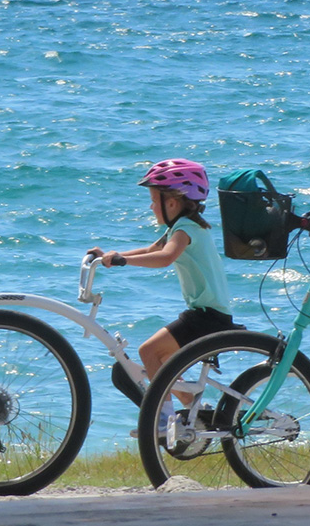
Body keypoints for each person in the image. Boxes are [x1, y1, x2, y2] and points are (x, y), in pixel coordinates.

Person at [89, 159, 239, 431]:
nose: (150, 206)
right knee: (164, 362)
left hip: (207, 318)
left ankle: (163, 420)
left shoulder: (185, 230)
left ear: (172, 202)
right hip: (206, 314)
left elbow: (164, 257)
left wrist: (123, 261)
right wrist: (111, 256)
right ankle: (196, 408)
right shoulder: (184, 226)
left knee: (148, 351)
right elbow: (151, 249)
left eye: (153, 200)